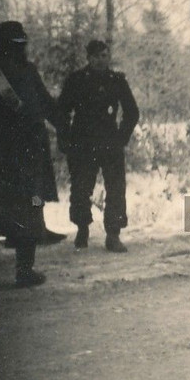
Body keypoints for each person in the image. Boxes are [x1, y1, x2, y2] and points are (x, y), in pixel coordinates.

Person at [0, 20, 69, 287]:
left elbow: (45, 103)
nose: (22, 49)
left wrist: (66, 127)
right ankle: (0, 268)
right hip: (7, 155)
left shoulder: (10, 71)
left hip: (21, 154)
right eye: (18, 44)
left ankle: (13, 269)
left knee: (21, 208)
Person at [58, 39, 140, 252]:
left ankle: (113, 234)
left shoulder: (117, 80)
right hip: (82, 142)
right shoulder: (76, 80)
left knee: (116, 188)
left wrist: (121, 137)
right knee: (81, 188)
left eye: (104, 56)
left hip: (109, 142)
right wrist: (65, 138)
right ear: (89, 58)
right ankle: (82, 228)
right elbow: (62, 111)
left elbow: (132, 111)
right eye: (96, 56)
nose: (101, 61)